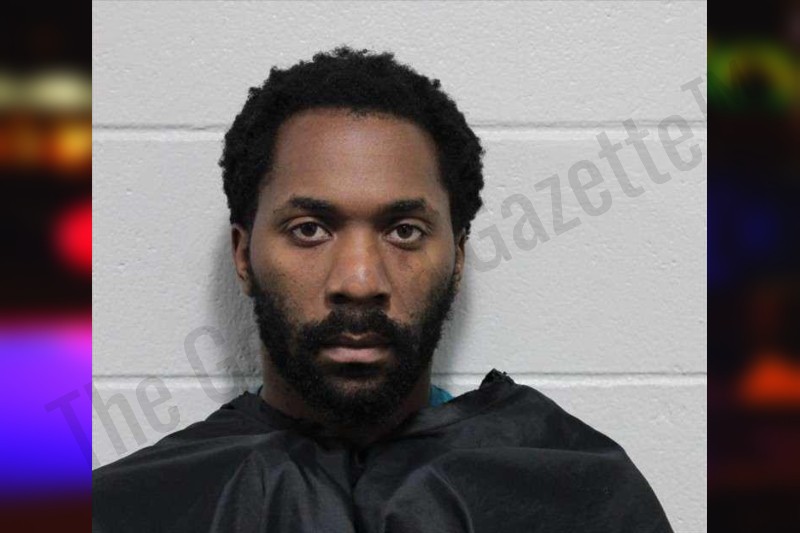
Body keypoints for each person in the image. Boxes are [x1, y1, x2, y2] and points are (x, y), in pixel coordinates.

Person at [92, 46, 673, 532]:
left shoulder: (577, 497)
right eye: (309, 230)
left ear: (458, 258)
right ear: (243, 255)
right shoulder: (135, 509)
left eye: (404, 231)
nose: (360, 281)